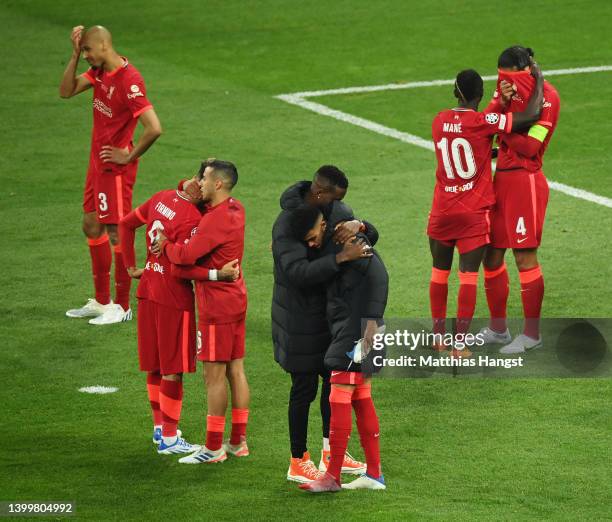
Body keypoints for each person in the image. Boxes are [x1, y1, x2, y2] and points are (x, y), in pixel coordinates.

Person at [428, 66, 544, 357]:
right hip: (472, 213)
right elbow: (528, 117)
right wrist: (538, 80)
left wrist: (494, 104)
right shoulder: (483, 123)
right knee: (468, 277)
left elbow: (467, 142)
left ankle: (439, 336)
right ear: (480, 95)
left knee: (439, 274)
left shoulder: (439, 121)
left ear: (455, 92)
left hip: (442, 211)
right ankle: (460, 345)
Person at [119, 176, 239, 454]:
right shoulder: (194, 219)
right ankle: (170, 439)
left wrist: (130, 267)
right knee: (173, 369)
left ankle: (160, 430)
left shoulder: (162, 197)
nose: (203, 186)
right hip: (174, 298)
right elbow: (180, 268)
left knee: (156, 364)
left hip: (148, 289)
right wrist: (217, 274)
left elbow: (126, 224)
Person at [272, 166, 377, 482]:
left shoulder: (337, 211)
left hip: (330, 316)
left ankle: (333, 452)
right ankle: (297, 459)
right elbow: (297, 274)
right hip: (298, 317)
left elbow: (368, 239)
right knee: (303, 388)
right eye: (334, 200)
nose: (337, 209)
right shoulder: (288, 224)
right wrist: (340, 259)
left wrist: (361, 226)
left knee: (333, 383)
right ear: (319, 193)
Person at [61, 25, 162, 324]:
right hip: (96, 164)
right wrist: (75, 53)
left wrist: (129, 155)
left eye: (88, 51)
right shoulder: (100, 72)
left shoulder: (130, 81)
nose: (86, 57)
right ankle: (103, 301)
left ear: (104, 45)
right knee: (92, 225)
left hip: (114, 169)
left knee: (117, 230)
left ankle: (121, 306)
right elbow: (65, 91)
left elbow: (154, 127)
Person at [286, 206, 388, 493]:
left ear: (322, 224)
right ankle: (374, 474)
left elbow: (378, 277)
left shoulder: (345, 240)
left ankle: (332, 476)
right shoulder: (344, 236)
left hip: (358, 327)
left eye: (311, 237)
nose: (311, 244)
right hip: (365, 325)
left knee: (339, 392)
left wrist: (367, 328)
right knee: (361, 396)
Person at [154, 160, 250, 464]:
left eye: (205, 179)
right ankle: (237, 441)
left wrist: (166, 245)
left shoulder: (213, 221)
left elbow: (184, 257)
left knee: (214, 377)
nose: (201, 183)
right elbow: (195, 193)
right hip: (236, 299)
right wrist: (196, 177)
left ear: (218, 184)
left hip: (216, 306)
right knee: (236, 370)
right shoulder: (236, 208)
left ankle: (213, 448)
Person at [480, 46, 561, 354]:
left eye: (509, 75)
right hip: (501, 180)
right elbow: (486, 121)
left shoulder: (548, 99)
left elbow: (528, 148)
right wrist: (500, 102)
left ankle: (531, 334)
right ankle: (499, 329)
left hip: (526, 183)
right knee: (492, 254)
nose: (505, 80)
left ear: (527, 70)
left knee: (524, 258)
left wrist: (501, 128)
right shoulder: (508, 93)